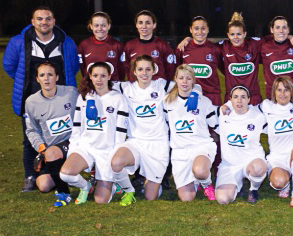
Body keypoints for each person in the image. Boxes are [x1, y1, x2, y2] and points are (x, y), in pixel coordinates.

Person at [3, 6, 80, 192]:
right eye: (39, 19)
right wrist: (27, 83)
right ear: (33, 22)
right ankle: (30, 176)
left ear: (54, 21)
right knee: (30, 138)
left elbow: (74, 67)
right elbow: (9, 66)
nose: (44, 22)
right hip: (30, 98)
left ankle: (66, 172)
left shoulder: (66, 42)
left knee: (68, 135)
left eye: (48, 19)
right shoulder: (18, 42)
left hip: (60, 99)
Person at [58, 62, 133, 205]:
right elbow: (77, 126)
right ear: (90, 77)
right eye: (95, 75)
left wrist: (114, 152)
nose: (99, 79)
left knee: (101, 200)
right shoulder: (84, 97)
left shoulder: (118, 99)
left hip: (107, 151)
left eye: (103, 76)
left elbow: (121, 131)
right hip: (87, 147)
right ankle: (86, 186)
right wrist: (74, 148)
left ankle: (114, 185)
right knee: (65, 174)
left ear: (109, 76)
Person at [111, 54, 174, 201]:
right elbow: (100, 84)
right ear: (134, 72)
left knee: (150, 197)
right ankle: (129, 190)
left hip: (158, 144)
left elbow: (190, 85)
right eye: (140, 69)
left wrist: (195, 96)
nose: (144, 73)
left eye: (147, 69)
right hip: (136, 141)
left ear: (154, 70)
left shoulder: (162, 85)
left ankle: (155, 182)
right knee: (116, 162)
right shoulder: (126, 88)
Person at [23, 61, 78, 206]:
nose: (46, 78)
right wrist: (41, 147)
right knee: (43, 185)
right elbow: (31, 129)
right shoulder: (31, 102)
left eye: (50, 74)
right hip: (50, 149)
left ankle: (64, 193)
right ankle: (65, 174)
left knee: (53, 154)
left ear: (57, 77)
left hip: (73, 143)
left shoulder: (71, 93)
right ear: (37, 79)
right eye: (42, 75)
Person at [163, 65, 219, 202]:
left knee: (200, 170)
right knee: (186, 198)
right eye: (181, 78)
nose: (184, 82)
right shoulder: (167, 102)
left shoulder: (203, 101)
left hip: (201, 147)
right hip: (180, 152)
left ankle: (206, 185)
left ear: (194, 80)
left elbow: (216, 125)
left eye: (188, 78)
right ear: (175, 79)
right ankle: (196, 180)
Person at [214, 85, 269, 205]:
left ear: (249, 99)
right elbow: (202, 108)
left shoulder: (258, 116)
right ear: (230, 99)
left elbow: (274, 131)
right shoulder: (222, 114)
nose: (239, 101)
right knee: (223, 199)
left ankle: (253, 189)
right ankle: (238, 185)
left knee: (258, 168)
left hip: (251, 160)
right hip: (229, 165)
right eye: (236, 97)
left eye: (243, 97)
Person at [260, 76, 293, 208]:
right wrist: (227, 106)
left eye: (286, 90)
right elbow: (246, 109)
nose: (282, 94)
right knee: (278, 182)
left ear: (292, 91)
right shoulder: (266, 106)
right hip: (278, 158)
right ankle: (286, 183)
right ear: (274, 92)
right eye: (279, 90)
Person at [177, 16, 224, 107]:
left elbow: (227, 71)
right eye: (196, 28)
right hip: (190, 95)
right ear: (191, 30)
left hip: (212, 96)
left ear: (208, 30)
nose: (200, 32)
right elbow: (175, 72)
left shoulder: (216, 49)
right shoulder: (183, 48)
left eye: (203, 28)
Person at [220, 13, 264, 106]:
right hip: (232, 98)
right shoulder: (224, 46)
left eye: (239, 34)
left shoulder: (254, 44)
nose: (235, 37)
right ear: (228, 35)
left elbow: (274, 39)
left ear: (245, 34)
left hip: (253, 97)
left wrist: (290, 37)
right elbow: (205, 45)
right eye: (232, 34)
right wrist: (187, 39)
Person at [123, 10, 176, 80]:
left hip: (158, 88)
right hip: (136, 88)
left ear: (154, 25)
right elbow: (126, 69)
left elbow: (170, 70)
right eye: (140, 23)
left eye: (148, 23)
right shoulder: (129, 45)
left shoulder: (163, 45)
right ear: (136, 25)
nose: (144, 26)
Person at [260, 16, 293, 99]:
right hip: (274, 95)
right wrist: (289, 36)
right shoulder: (264, 46)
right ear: (271, 30)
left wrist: (290, 37)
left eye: (284, 27)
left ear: (288, 30)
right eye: (277, 27)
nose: (281, 30)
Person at [77, 12, 125, 81]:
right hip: (91, 87)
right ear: (91, 26)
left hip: (112, 86)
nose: (100, 28)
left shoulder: (117, 45)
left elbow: (122, 69)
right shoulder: (84, 45)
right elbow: (82, 67)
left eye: (103, 25)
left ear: (109, 26)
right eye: (96, 25)